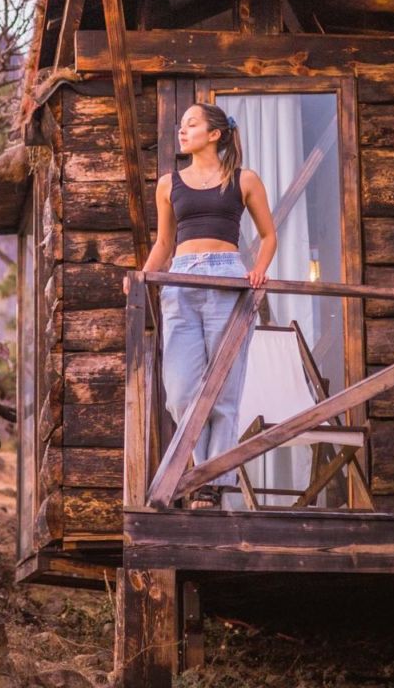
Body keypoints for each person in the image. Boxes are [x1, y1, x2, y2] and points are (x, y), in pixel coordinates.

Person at [123, 102, 277, 506]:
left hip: (228, 280)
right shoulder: (168, 184)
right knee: (180, 391)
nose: (182, 131)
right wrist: (141, 276)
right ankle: (199, 472)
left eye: (192, 124)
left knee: (223, 392)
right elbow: (163, 244)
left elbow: (268, 236)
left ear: (215, 134)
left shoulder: (244, 179)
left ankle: (208, 485)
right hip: (180, 281)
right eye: (181, 125)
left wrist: (258, 270)